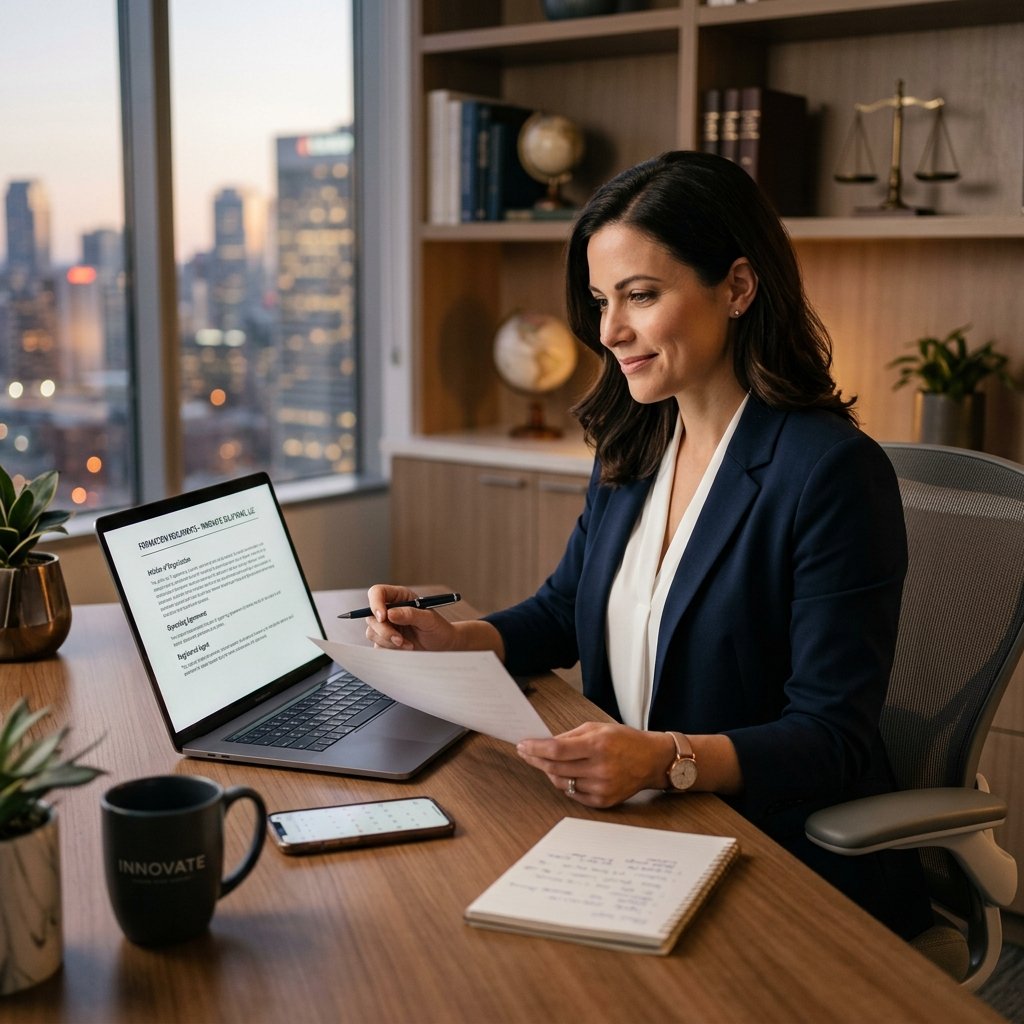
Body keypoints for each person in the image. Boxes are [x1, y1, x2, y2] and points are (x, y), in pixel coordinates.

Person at [366, 150, 932, 939]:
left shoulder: (830, 472)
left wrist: (667, 758)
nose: (609, 330)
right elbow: (568, 608)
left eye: (640, 295)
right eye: (601, 300)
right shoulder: (635, 443)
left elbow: (832, 737)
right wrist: (466, 639)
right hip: (642, 830)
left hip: (778, 855)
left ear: (737, 287)